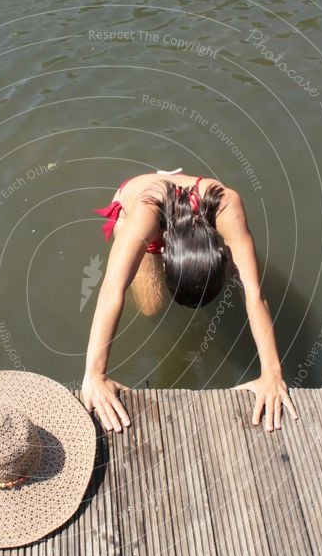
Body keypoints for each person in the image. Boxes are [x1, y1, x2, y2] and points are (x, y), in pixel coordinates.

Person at [81, 168, 299, 434]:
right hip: (140, 208)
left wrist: (272, 373)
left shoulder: (227, 204)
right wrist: (94, 374)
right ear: (164, 252)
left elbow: (254, 291)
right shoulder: (145, 214)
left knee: (240, 273)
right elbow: (111, 289)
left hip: (184, 213)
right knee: (151, 307)